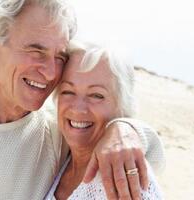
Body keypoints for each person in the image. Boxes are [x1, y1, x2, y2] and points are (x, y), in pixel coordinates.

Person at [0, 0, 164, 199]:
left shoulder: (56, 133)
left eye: (59, 56)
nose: (50, 72)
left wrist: (125, 128)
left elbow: (151, 158)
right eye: (35, 50)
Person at [45, 43, 163, 200]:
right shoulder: (57, 156)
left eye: (96, 95)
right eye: (68, 91)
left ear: (121, 106)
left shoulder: (126, 180)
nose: (78, 109)